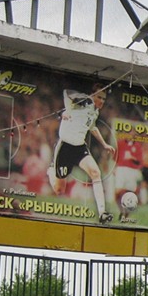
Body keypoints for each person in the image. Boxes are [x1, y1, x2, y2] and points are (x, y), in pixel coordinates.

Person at [48, 85, 117, 223]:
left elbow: (92, 127)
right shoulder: (83, 101)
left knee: (95, 173)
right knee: (59, 190)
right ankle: (51, 171)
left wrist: (104, 144)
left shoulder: (95, 112)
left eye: (104, 98)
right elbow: (66, 92)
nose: (101, 101)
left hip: (79, 147)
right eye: (99, 97)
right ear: (92, 95)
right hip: (65, 147)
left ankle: (102, 213)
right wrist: (69, 109)